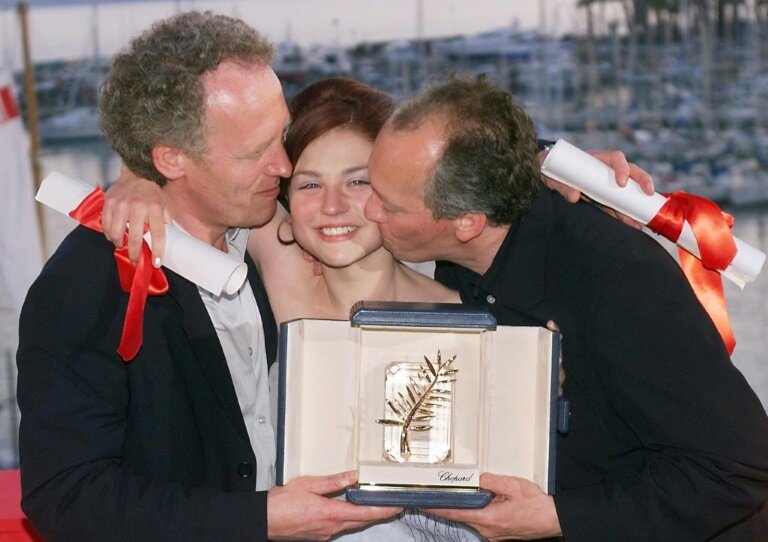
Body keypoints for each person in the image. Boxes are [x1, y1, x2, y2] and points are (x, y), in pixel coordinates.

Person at [15, 12, 401, 541]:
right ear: (172, 158)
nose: (285, 167)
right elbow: (67, 496)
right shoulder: (85, 285)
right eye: (255, 152)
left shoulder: (287, 230)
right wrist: (263, 520)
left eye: (281, 135)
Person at [361, 75, 768, 541]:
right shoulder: (474, 225)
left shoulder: (619, 281)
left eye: (388, 206)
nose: (368, 211)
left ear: (467, 223)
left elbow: (738, 470)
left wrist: (557, 518)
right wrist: (546, 154)